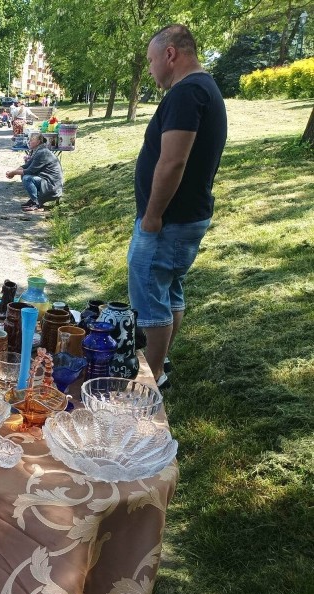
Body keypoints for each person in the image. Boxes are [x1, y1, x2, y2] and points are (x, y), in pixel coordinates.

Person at [128, 24, 227, 388]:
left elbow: (172, 162)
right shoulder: (205, 89)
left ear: (171, 54)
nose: (151, 70)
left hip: (168, 221)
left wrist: (152, 216)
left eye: (153, 60)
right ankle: (161, 364)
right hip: (187, 217)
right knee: (170, 291)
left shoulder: (187, 93)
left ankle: (147, 384)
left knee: (150, 298)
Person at [5, 133, 63, 212]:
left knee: (27, 178)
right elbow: (26, 165)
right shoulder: (39, 150)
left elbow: (30, 170)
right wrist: (13, 171)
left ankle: (37, 203)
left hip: (53, 187)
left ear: (38, 142)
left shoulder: (42, 152)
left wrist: (14, 173)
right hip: (48, 182)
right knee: (24, 175)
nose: (29, 142)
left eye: (31, 140)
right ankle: (34, 200)